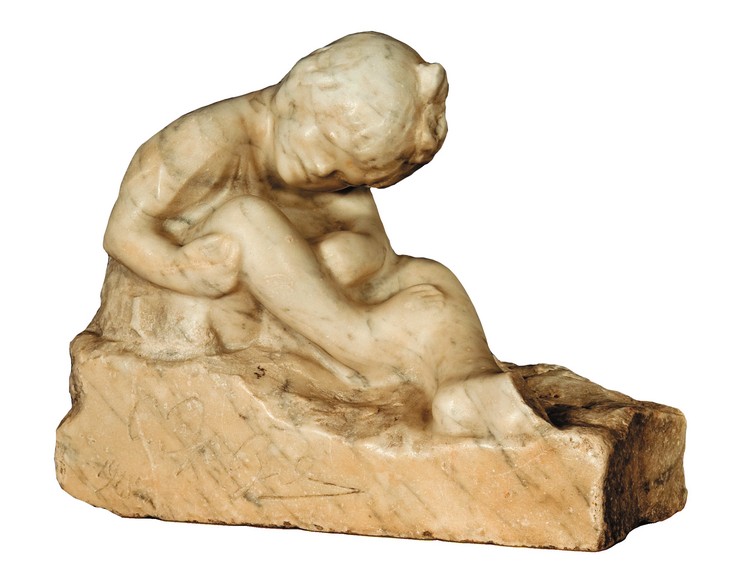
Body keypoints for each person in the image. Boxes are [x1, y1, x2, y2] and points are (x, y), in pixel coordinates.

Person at [102, 32, 551, 442]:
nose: (320, 169)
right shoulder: (203, 139)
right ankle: (365, 351)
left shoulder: (331, 175)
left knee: (425, 275)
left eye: (343, 174)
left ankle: (468, 379)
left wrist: (354, 251)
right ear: (303, 92)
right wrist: (181, 270)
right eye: (323, 144)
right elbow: (122, 233)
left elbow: (375, 245)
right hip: (215, 300)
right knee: (245, 217)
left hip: (308, 296)